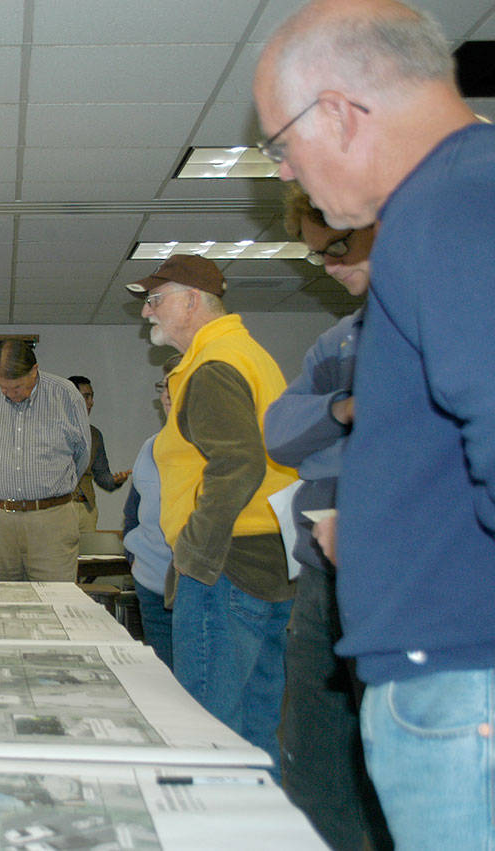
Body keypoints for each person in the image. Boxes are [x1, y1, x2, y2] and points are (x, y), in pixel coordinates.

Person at [255, 1, 495, 844]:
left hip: (462, 686)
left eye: (280, 145)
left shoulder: (452, 207)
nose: (284, 173)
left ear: (338, 113)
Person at [126, 253, 298, 773]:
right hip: (268, 563)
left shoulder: (212, 365)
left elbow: (237, 464)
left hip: (223, 567)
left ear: (191, 300)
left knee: (206, 729)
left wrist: (195, 555)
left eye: (156, 301)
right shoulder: (247, 354)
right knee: (252, 728)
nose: (146, 314)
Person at [263, 187, 389, 850]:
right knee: (311, 761)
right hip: (321, 579)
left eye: (337, 247)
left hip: (404, 578)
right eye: (317, 255)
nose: (329, 265)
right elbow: (281, 433)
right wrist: (342, 409)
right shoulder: (339, 339)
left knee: (394, 765)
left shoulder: (449, 316)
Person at [0, 339, 90, 582]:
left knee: (56, 603)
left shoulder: (66, 395)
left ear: (34, 371)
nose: (11, 395)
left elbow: (82, 456)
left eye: (17, 388)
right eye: (4, 389)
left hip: (51, 520)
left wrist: (48, 491)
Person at [121, 354, 181, 671]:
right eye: (164, 387)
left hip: (195, 590)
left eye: (178, 385)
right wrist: (136, 560)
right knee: (164, 680)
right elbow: (133, 511)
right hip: (151, 584)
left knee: (197, 691)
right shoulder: (151, 447)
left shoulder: (216, 448)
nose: (168, 396)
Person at [66, 375, 131, 533]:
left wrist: (115, 481)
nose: (91, 402)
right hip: (60, 508)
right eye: (86, 397)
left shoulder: (94, 435)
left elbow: (102, 475)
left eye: (92, 396)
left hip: (87, 508)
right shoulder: (52, 432)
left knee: (87, 555)